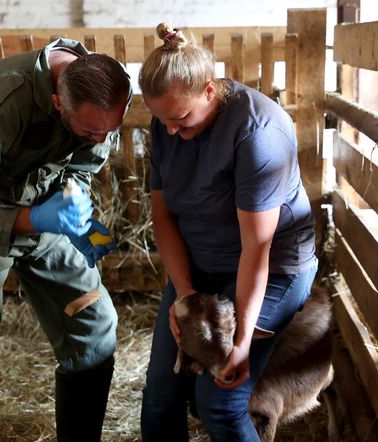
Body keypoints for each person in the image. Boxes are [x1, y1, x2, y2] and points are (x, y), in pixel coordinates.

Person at [0, 37, 132, 442]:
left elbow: (84, 163)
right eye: (90, 130)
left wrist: (73, 197)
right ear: (58, 104)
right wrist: (31, 218)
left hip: (45, 215)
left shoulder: (105, 90)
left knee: (95, 322)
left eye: (110, 129)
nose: (100, 138)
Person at [139, 24, 318, 441]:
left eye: (179, 118)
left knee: (220, 401)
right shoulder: (167, 123)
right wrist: (184, 296)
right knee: (162, 393)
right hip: (202, 262)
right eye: (161, 119)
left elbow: (257, 245)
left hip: (270, 268)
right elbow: (163, 218)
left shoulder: (258, 132)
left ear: (208, 90)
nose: (169, 130)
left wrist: (241, 340)